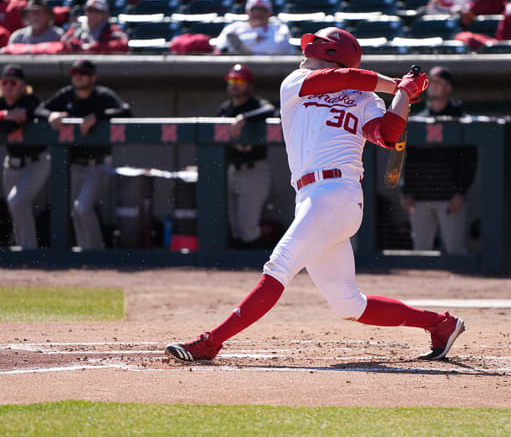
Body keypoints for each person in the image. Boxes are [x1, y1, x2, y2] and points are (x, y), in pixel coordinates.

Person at [165, 27, 466, 363]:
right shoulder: (295, 83)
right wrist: (398, 85)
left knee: (278, 266)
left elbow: (388, 134)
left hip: (338, 193)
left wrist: (404, 97)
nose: (304, 54)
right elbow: (339, 78)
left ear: (331, 53)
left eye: (314, 49)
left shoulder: (367, 100)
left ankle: (210, 342)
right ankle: (440, 324)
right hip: (310, 197)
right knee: (348, 304)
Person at [37, 60, 132, 250]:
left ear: (93, 77)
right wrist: (50, 115)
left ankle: (95, 251)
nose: (78, 76)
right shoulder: (67, 94)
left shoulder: (102, 96)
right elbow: (39, 109)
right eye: (75, 72)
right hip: (73, 163)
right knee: (75, 210)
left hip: (97, 163)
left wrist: (97, 116)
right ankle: (85, 251)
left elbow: (126, 112)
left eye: (84, 73)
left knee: (82, 207)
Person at [401, 66, 477, 253]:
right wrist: (406, 191)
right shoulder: (417, 120)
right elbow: (408, 159)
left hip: (449, 199)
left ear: (448, 88)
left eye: (438, 82)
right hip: (420, 198)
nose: (433, 86)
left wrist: (461, 192)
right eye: (431, 82)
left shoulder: (461, 120)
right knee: (420, 254)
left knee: (456, 252)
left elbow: (470, 162)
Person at [216, 63, 277, 248]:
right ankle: (237, 272)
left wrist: (245, 118)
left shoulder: (257, 105)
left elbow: (272, 110)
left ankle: (257, 266)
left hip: (254, 170)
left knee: (247, 228)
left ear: (250, 85)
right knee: (232, 225)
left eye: (240, 81)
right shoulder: (224, 109)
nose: (235, 84)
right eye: (232, 80)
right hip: (232, 170)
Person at [0, 65, 49, 249]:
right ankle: (23, 250)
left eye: (13, 83)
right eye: (5, 82)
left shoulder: (30, 101)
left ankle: (28, 251)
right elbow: (8, 123)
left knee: (17, 202)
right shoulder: (2, 104)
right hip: (11, 164)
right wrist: (5, 115)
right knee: (16, 207)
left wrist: (11, 119)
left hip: (36, 162)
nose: (8, 87)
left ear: (22, 86)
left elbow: (16, 124)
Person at [213, 0, 294, 55]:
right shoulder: (233, 27)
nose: (258, 13)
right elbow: (221, 48)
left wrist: (242, 44)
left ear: (269, 13)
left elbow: (279, 48)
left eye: (262, 10)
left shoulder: (279, 27)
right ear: (247, 11)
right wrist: (254, 38)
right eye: (254, 9)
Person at [60, 0, 129, 54]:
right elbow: (63, 43)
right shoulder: (76, 29)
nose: (92, 14)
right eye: (89, 10)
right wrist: (75, 45)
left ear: (106, 14)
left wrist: (95, 47)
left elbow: (124, 45)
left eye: (97, 11)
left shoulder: (113, 30)